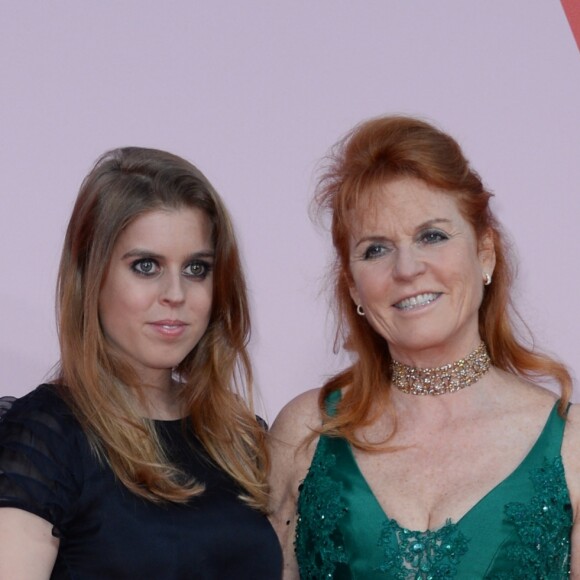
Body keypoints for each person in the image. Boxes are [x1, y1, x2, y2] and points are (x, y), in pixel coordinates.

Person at [269, 115, 579, 579]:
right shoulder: (305, 432)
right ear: (353, 287)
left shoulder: (571, 446)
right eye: (376, 249)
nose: (407, 268)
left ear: (485, 253)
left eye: (431, 236)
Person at [0, 147, 282, 578]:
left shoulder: (239, 439)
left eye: (196, 268)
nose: (175, 294)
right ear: (91, 276)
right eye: (146, 266)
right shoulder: (46, 439)